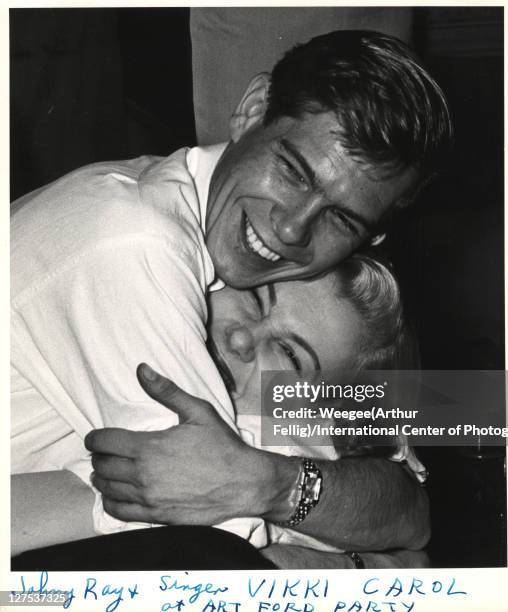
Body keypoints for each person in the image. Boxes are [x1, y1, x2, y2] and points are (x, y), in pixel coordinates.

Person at [11, 30, 450, 559]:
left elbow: (411, 507)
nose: (291, 229)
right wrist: (352, 557)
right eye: (291, 169)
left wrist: (282, 483)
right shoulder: (138, 243)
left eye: (341, 218)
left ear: (370, 236)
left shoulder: (226, 243)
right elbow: (223, 541)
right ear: (249, 111)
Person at [13, 253, 426, 568]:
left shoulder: (273, 438)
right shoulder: (140, 292)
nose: (243, 338)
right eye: (254, 299)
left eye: (289, 355)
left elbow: (412, 512)